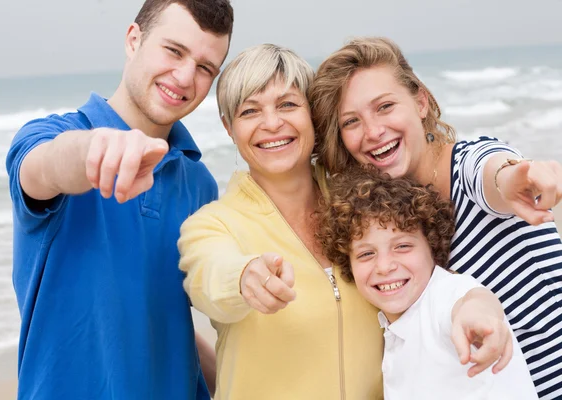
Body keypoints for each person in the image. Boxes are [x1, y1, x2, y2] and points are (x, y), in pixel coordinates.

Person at [178, 43, 514, 400]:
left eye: (288, 104)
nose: (272, 123)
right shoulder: (213, 226)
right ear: (229, 127)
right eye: (249, 111)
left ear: (314, 117)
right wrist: (244, 277)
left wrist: (475, 301)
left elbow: (432, 281)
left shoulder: (365, 201)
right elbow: (208, 276)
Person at [309, 36, 562, 399]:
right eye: (352, 121)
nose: (373, 131)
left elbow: (493, 172)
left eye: (384, 106)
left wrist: (512, 178)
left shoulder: (469, 165)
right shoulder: (390, 219)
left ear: (421, 101)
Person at [4, 1, 233, 398]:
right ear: (133, 40)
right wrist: (93, 150)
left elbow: (164, 319)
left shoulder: (199, 184)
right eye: (174, 51)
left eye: (204, 68)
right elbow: (44, 168)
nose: (184, 76)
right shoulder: (52, 136)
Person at [317, 165, 538, 399]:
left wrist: (479, 317)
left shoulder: (443, 296)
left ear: (431, 246)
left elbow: (473, 299)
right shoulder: (390, 332)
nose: (384, 266)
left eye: (402, 246)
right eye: (366, 254)